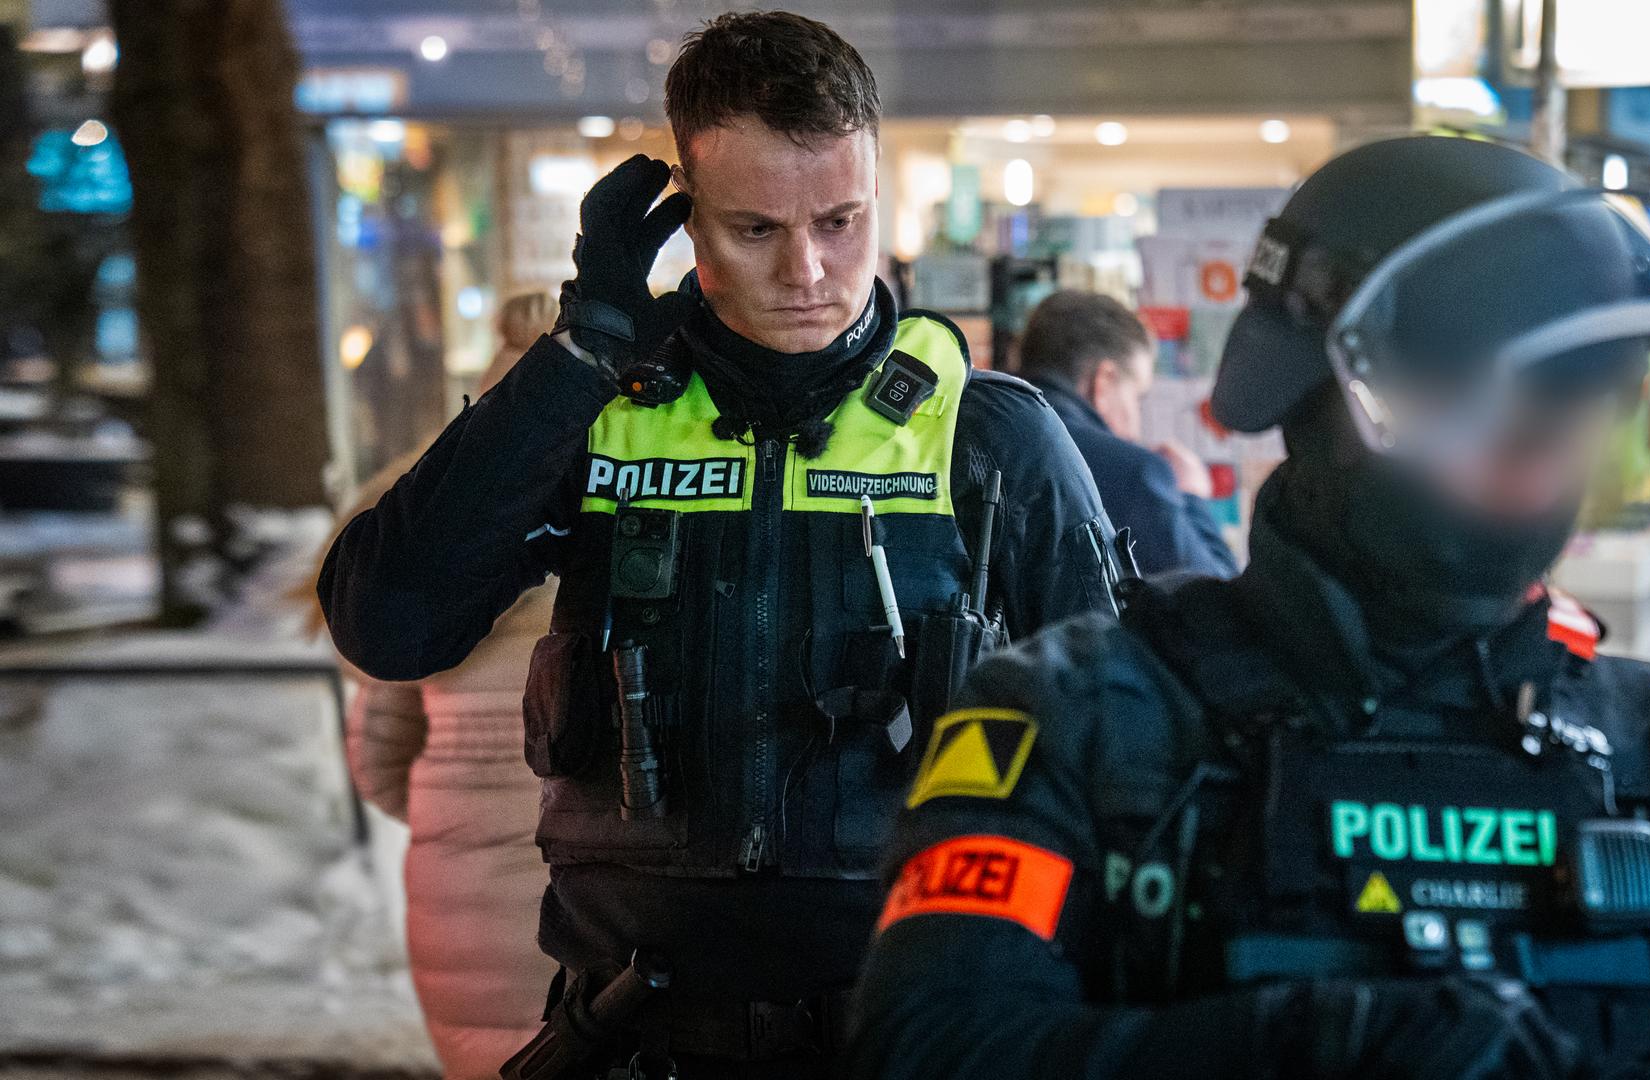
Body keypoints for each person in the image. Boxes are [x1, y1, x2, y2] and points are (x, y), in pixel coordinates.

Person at [845, 136, 1650, 1080]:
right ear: (1307, 391)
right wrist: (1314, 1043)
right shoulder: (1074, 722)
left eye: (1574, 404)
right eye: (1469, 395)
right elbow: (933, 1045)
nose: (1529, 454)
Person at [318, 11, 1116, 1079]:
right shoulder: (599, 412)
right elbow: (391, 622)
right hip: (636, 1032)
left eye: (843, 220)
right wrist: (577, 355)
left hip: (906, 1030)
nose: (809, 270)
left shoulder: (990, 434)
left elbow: (1123, 746)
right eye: (756, 230)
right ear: (687, 224)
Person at [323, 291, 563, 1080]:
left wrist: (460, 810)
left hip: (457, 919)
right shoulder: (637, 537)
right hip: (603, 922)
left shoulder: (434, 551)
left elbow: (379, 763)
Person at [1017, 290, 1237, 579]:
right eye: (1137, 397)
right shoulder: (1135, 473)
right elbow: (1217, 602)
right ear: (1104, 381)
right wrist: (1192, 497)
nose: (1135, 428)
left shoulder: (975, 424)